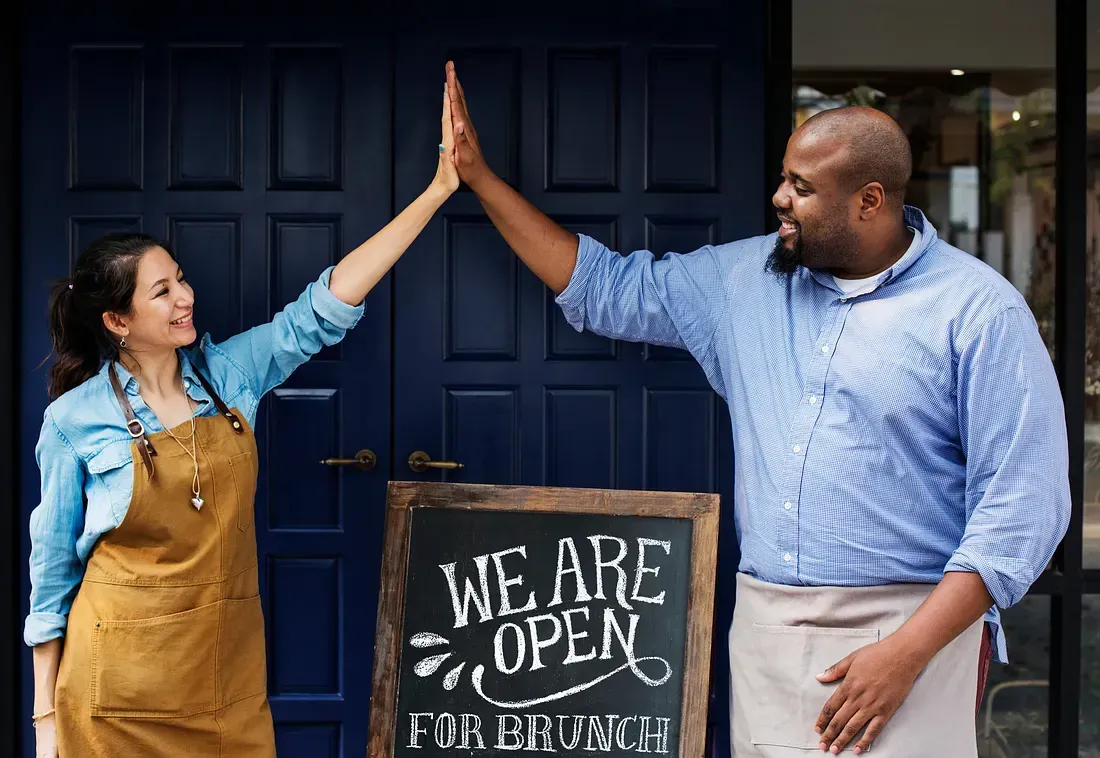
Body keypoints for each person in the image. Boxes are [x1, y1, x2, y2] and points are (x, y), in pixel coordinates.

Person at [442, 60, 1071, 756]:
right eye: (783, 178)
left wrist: (906, 653)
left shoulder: (978, 312)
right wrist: (479, 178)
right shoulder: (744, 280)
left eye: (802, 188)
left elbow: (1021, 509)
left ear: (869, 200)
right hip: (769, 626)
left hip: (913, 628)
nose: (779, 198)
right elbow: (605, 289)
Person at [24, 86, 460, 758]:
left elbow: (322, 308)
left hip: (221, 679)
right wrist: (46, 719)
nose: (184, 297)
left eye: (181, 279)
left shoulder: (228, 376)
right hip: (114, 698)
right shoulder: (73, 421)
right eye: (161, 291)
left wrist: (437, 191)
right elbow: (51, 576)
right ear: (117, 321)